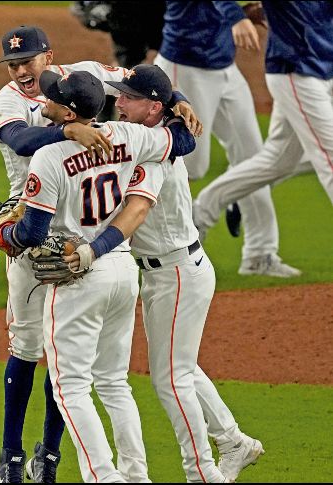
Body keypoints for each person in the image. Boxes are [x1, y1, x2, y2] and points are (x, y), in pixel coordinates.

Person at [0, 25, 199, 483]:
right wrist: (72, 129)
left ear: (50, 57)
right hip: (105, 249)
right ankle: (13, 453)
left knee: (66, 366)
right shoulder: (12, 103)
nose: (21, 72)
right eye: (13, 64)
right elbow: (21, 140)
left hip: (46, 232)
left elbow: (145, 80)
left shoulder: (84, 80)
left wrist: (176, 96)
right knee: (39, 351)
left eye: (28, 62)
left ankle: (53, 454)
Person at [65, 64, 264, 482]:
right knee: (181, 369)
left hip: (176, 272)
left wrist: (93, 250)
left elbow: (136, 211)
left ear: (152, 108)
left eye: (129, 98)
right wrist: (179, 99)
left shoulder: (157, 150)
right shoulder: (147, 135)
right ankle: (232, 441)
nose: (118, 101)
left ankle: (203, 474)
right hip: (167, 272)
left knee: (171, 381)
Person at [154, 0, 301, 278]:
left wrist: (245, 12)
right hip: (185, 69)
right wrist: (235, 17)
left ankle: (260, 253)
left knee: (255, 159)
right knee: (190, 166)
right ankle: (166, 248)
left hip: (225, 68)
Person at [193, 1, 333, 248]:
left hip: (326, 68)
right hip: (297, 71)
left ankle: (204, 209)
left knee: (278, 160)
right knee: (329, 158)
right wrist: (237, 17)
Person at [70, 1, 167, 121]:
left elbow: (159, 25)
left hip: (154, 28)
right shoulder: (119, 17)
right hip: (125, 31)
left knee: (146, 81)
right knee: (127, 75)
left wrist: (153, 53)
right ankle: (106, 119)